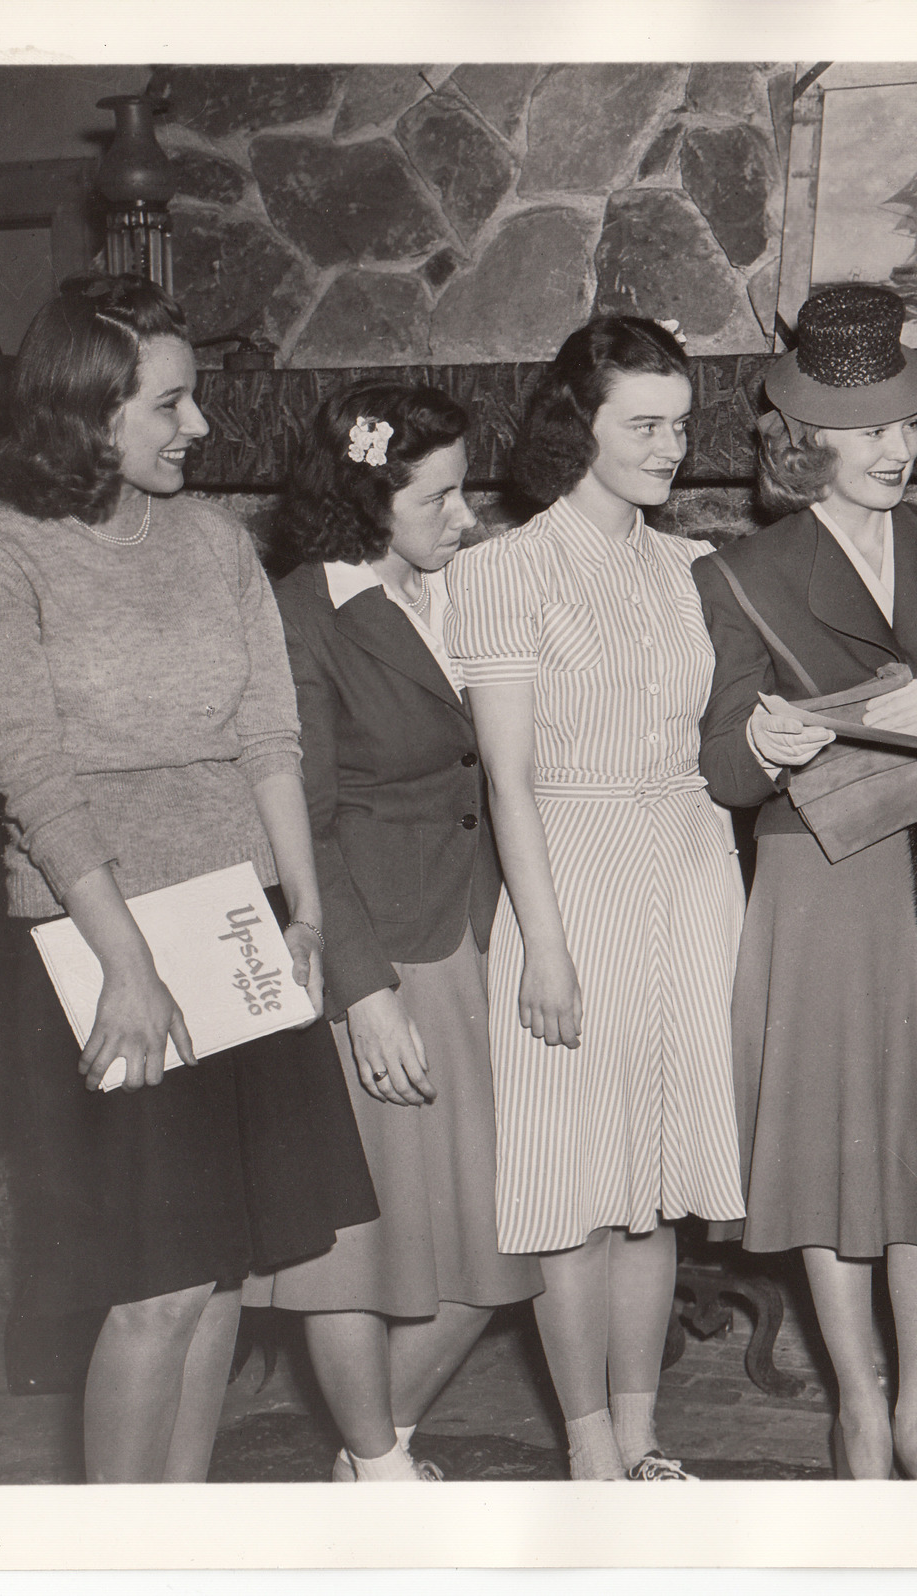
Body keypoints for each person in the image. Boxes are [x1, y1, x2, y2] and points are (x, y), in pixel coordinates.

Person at [0, 274, 377, 1482]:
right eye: (172, 405)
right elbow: (30, 771)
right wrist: (126, 966)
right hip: (96, 938)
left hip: (233, 922)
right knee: (154, 1281)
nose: (200, 429)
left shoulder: (214, 542)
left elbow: (267, 740)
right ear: (90, 413)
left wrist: (305, 911)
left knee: (225, 1270)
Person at [693, 285, 917, 1482]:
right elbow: (723, 770)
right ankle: (855, 1399)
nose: (899, 448)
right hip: (815, 881)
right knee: (828, 1160)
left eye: (907, 424)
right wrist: (762, 749)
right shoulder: (739, 574)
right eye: (870, 428)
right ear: (806, 441)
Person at [442, 316, 745, 1482]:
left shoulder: (689, 568)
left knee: (653, 1182)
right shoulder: (500, 569)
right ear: (578, 425)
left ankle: (643, 1434)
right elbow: (508, 779)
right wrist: (546, 950)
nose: (672, 447)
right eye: (645, 425)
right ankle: (586, 1454)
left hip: (687, 867)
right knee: (571, 1180)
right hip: (568, 875)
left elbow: (718, 741)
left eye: (680, 424)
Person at [248, 382, 545, 1482]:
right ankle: (377, 1471)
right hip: (374, 951)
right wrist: (361, 993)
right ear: (369, 500)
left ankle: (377, 1450)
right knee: (353, 1254)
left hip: (473, 932)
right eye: (441, 497)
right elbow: (301, 826)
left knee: (504, 1238)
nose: (465, 518)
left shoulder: (456, 587)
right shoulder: (298, 614)